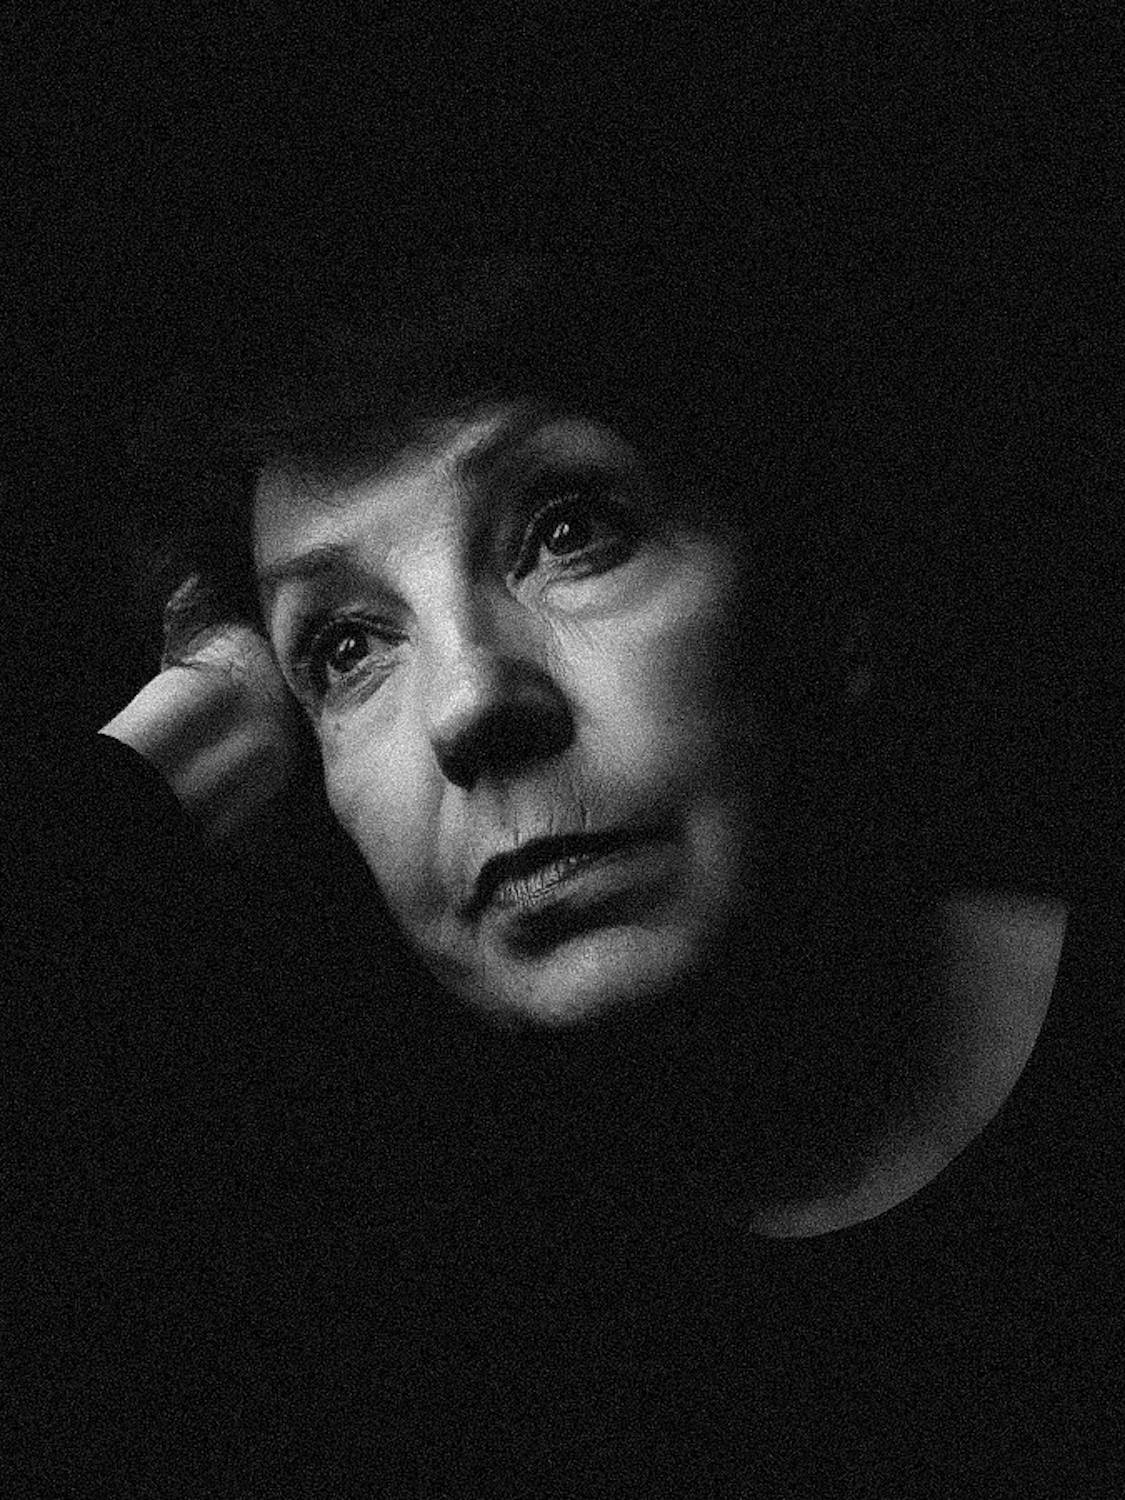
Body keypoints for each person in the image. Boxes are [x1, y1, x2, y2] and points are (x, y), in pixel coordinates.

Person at [10, 241, 1123, 1495]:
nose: (471, 705)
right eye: (345, 647)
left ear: (824, 600)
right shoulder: (390, 1322)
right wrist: (178, 747)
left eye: (569, 532)